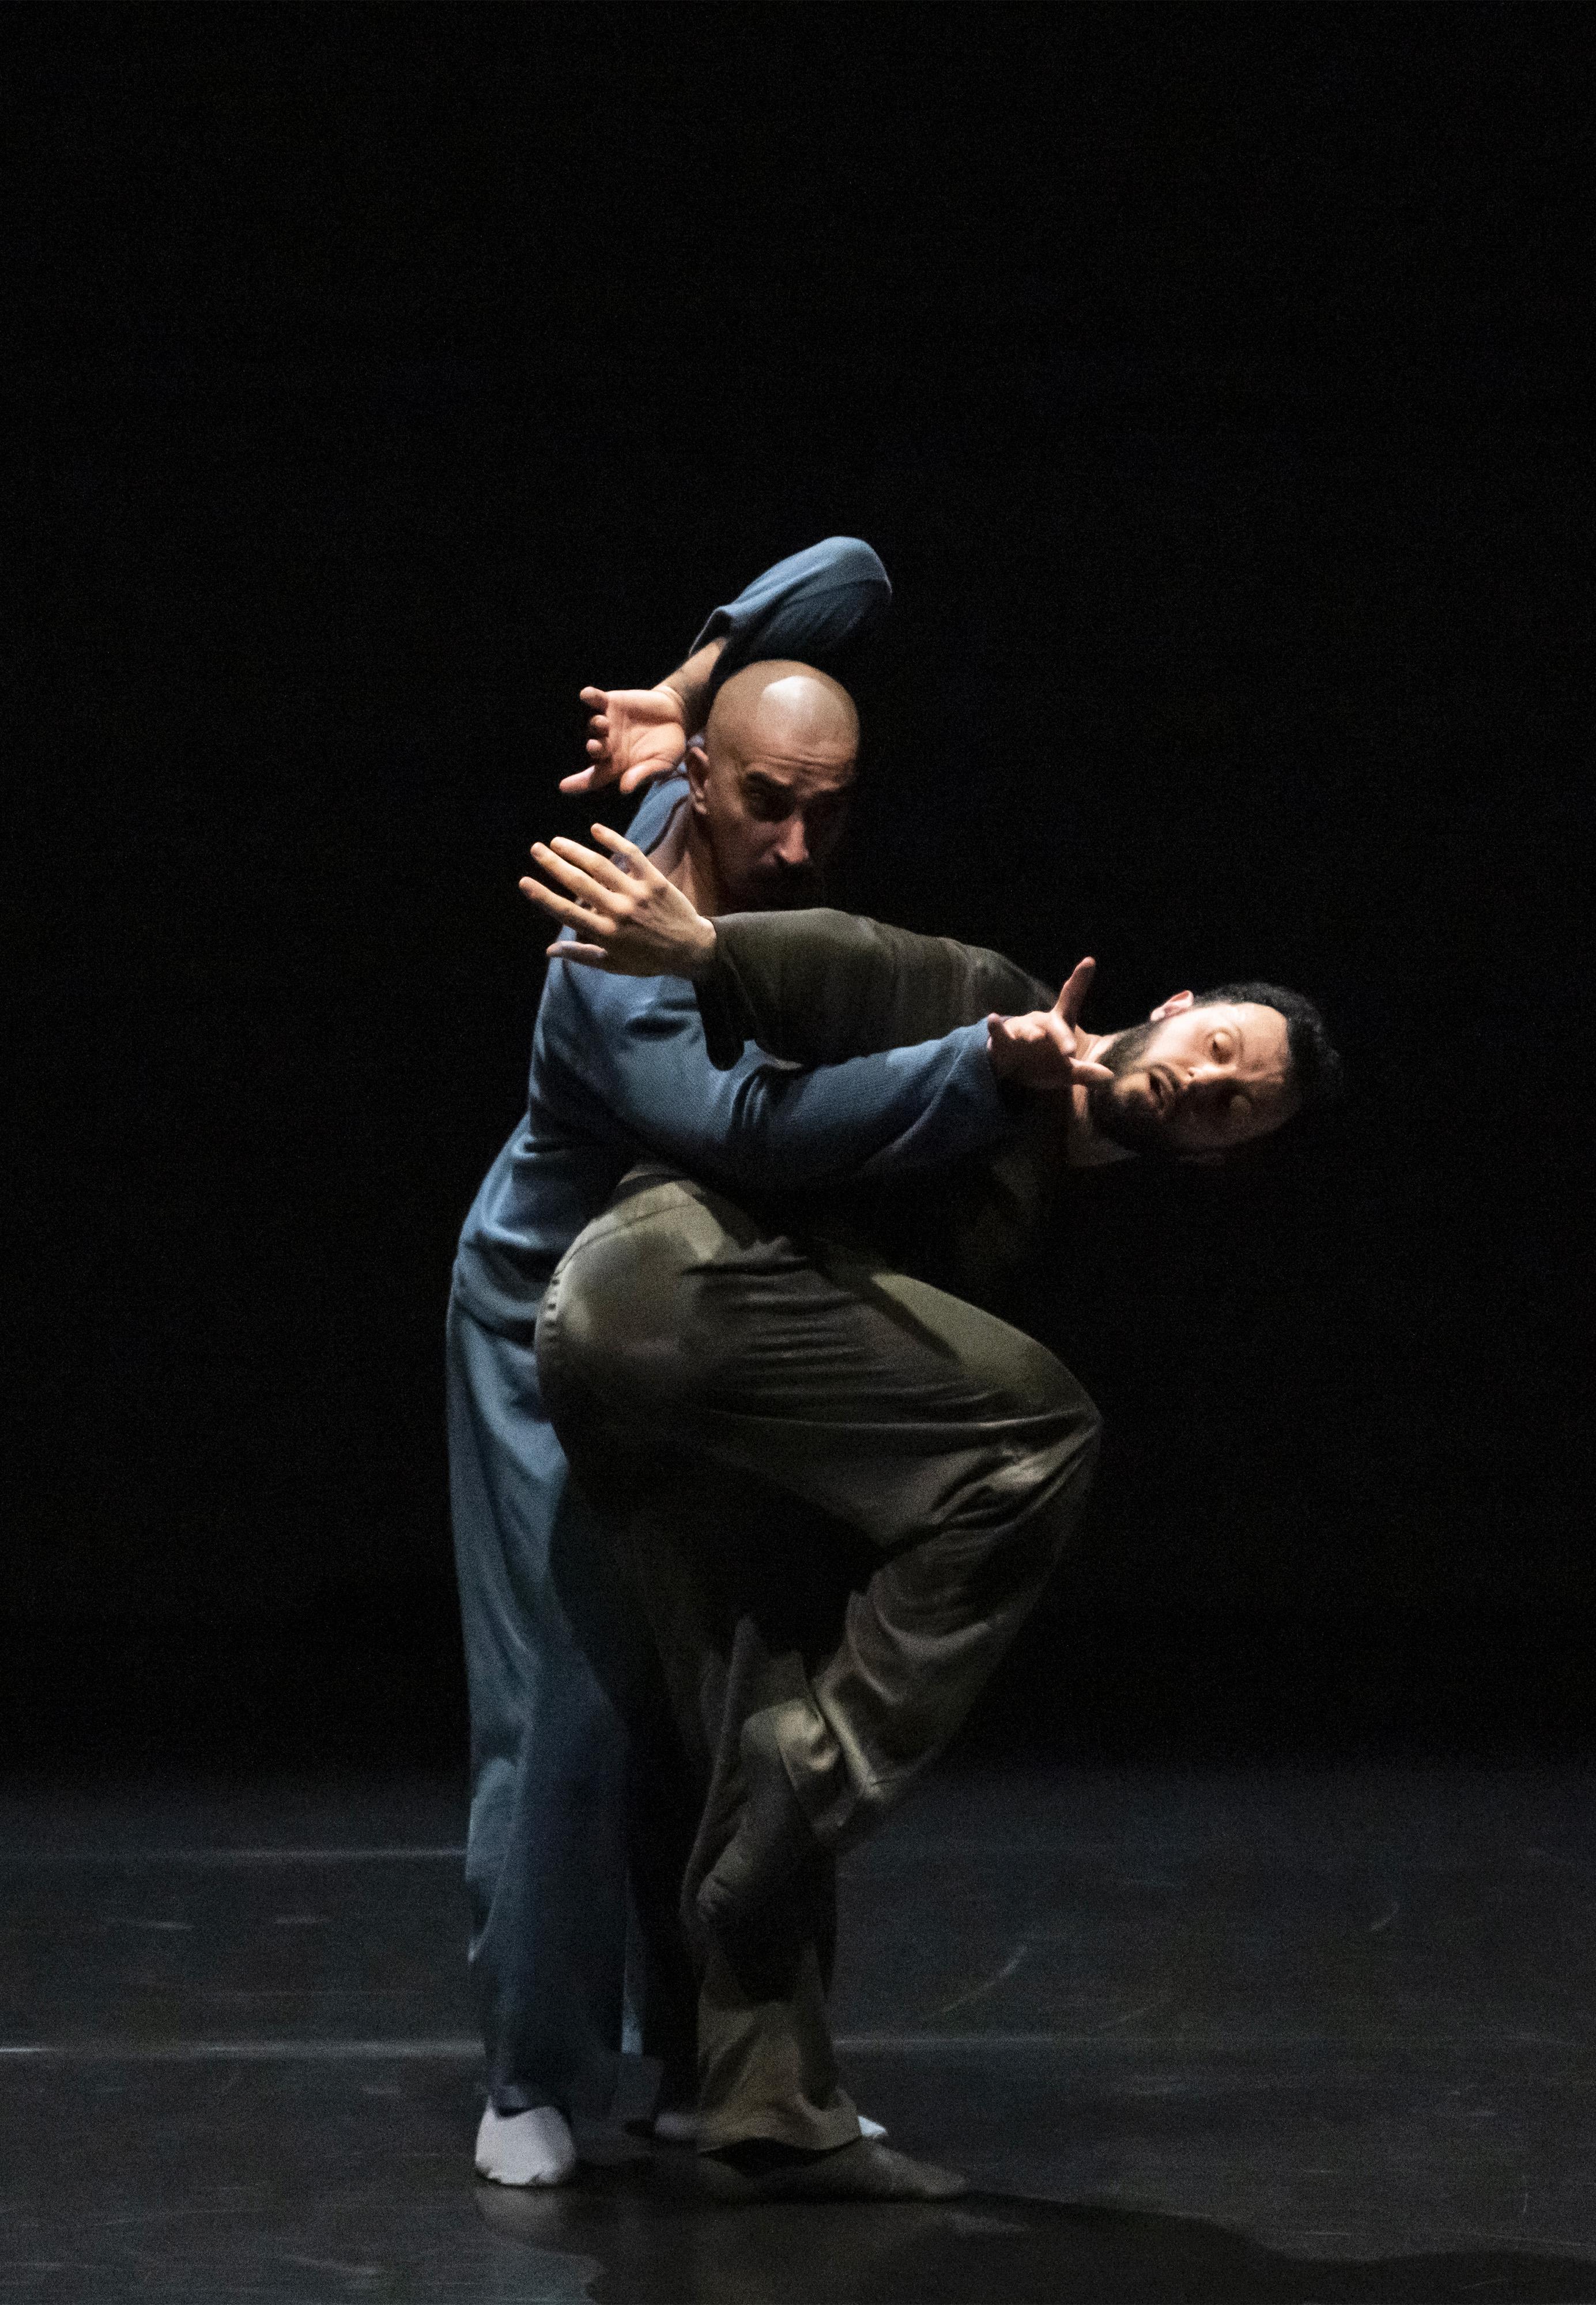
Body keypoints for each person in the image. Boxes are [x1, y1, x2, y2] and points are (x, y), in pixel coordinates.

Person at [519, 828, 1343, 2201]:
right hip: (666, 1285)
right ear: (1180, 1007)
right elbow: (842, 966)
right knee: (1037, 1437)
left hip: (677, 1391)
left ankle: (765, 2107)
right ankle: (822, 1766)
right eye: (1215, 1055)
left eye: (1229, 1110)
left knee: (757, 1677)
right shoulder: (989, 1003)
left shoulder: (1052, 1215)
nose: (1199, 1088)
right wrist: (704, 947)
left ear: (1222, 1157)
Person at [449, 543, 1035, 2187]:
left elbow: (848, 571)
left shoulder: (695, 770)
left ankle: (716, 2067)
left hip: (697, 1312)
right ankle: (532, 2068)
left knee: (729, 1687)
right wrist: (975, 1062)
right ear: (702, 790)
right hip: (542, 1312)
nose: (794, 844)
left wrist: (693, 675)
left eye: (828, 810)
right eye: (764, 801)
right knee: (567, 1696)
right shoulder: (611, 930)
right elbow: (744, 1124)